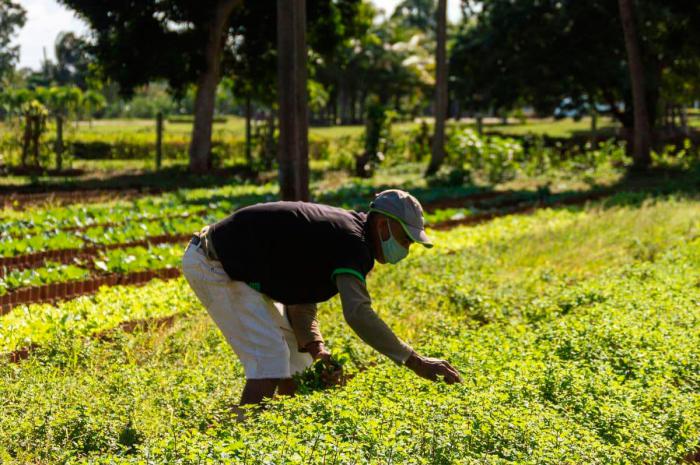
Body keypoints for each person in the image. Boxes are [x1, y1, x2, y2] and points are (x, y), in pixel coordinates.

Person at [181, 189, 462, 414]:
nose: (406, 248)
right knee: (271, 358)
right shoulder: (353, 243)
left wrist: (318, 351)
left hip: (235, 267)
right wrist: (416, 361)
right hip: (214, 263)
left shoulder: (347, 236)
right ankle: (234, 436)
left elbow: (300, 299)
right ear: (382, 224)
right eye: (405, 238)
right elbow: (358, 314)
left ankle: (285, 428)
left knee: (299, 364)